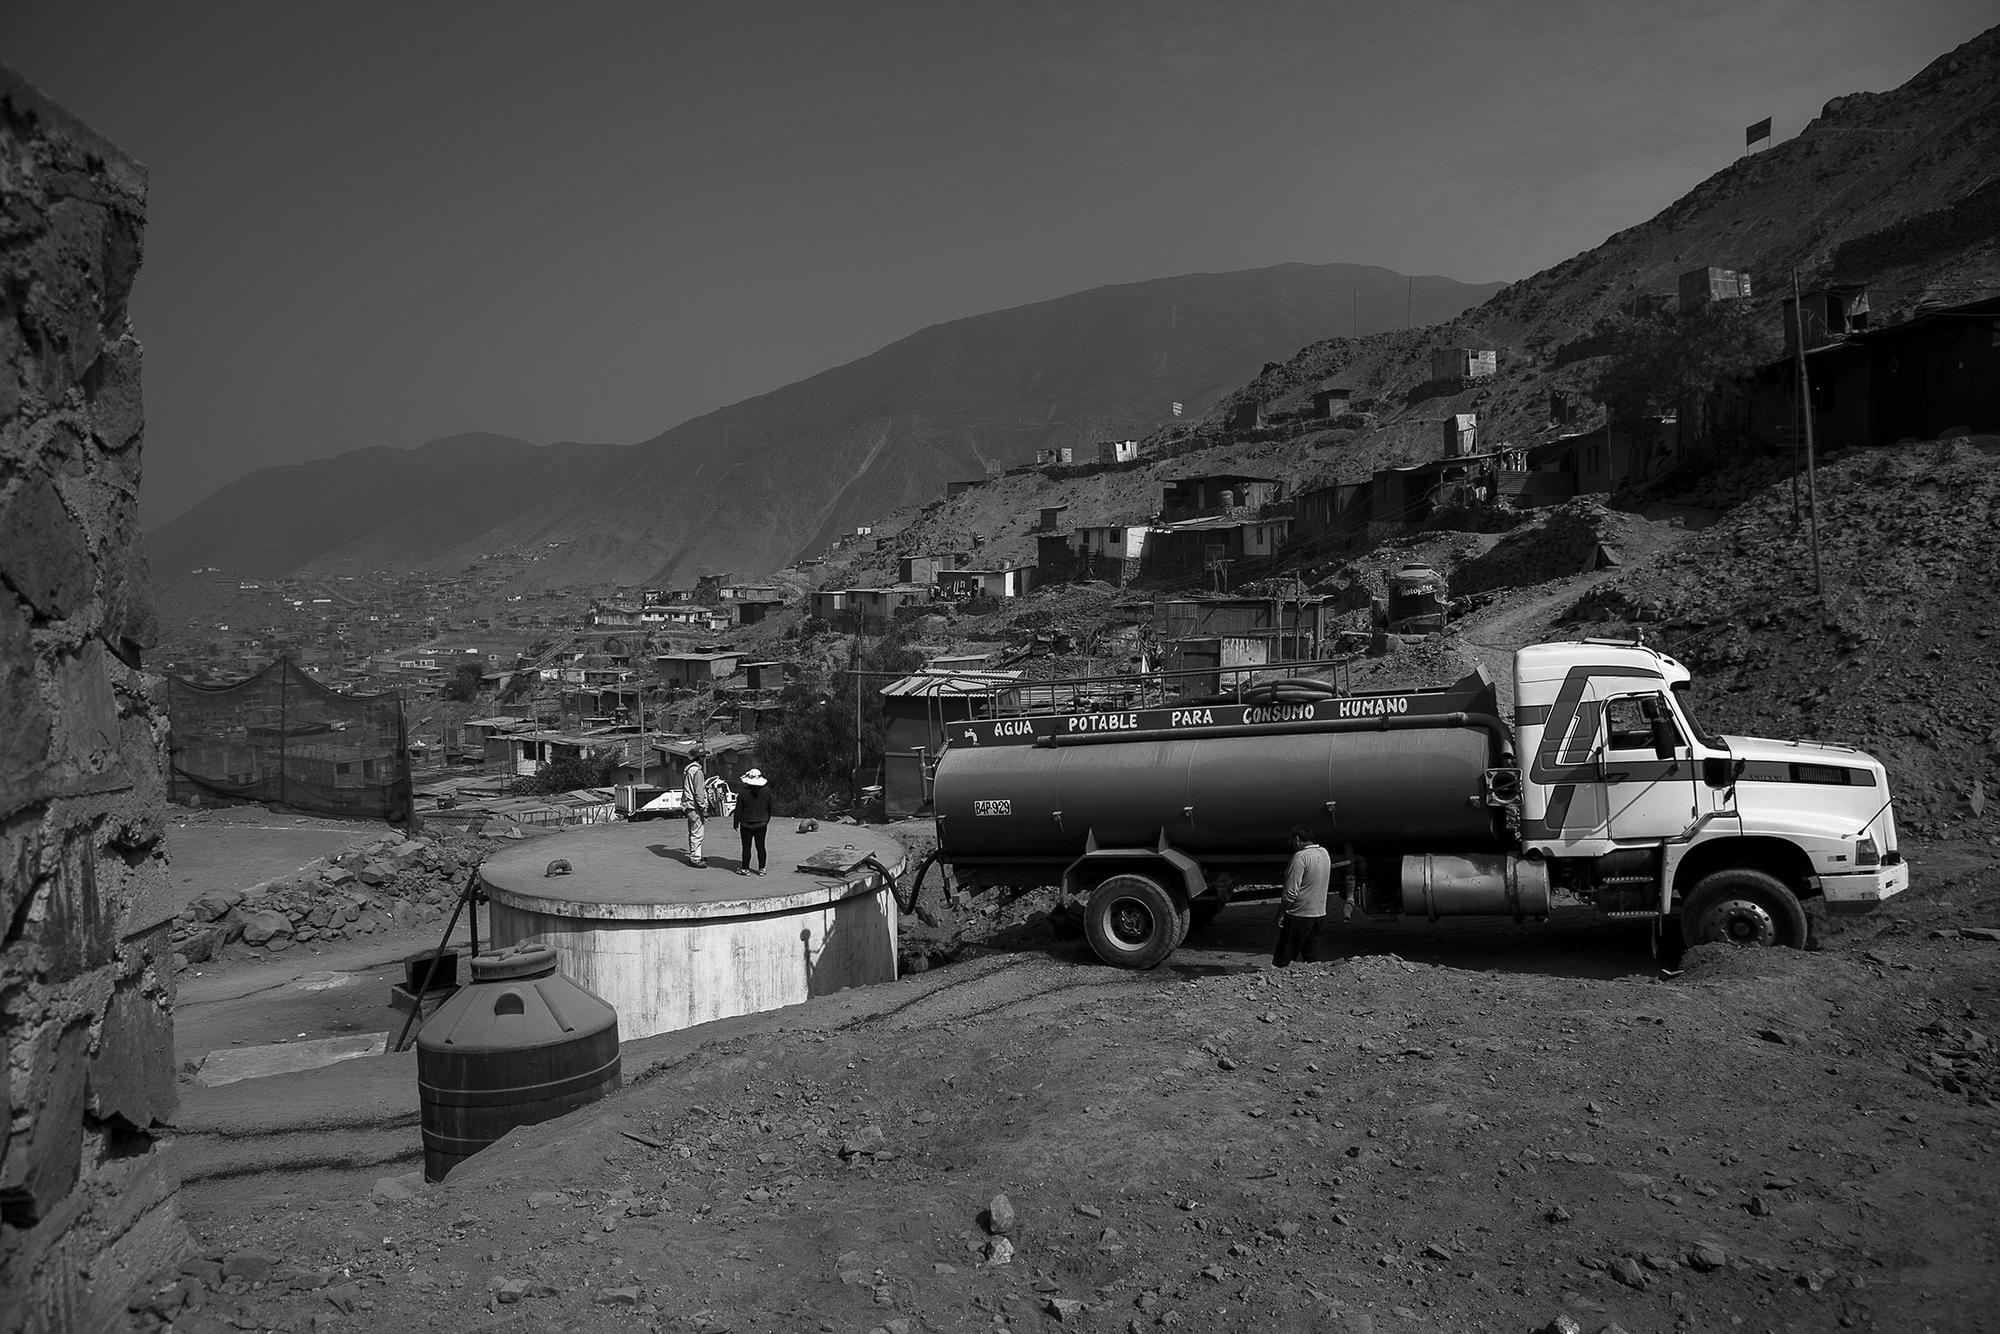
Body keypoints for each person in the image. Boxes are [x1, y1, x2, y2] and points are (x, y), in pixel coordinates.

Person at [1273, 825, 1332, 968]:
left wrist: (1280, 913)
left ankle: (1275, 984)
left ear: (1298, 839)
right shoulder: (1324, 853)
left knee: (1283, 957)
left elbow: (1290, 893)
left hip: (1299, 915)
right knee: (1312, 955)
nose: (1292, 845)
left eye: (1292, 841)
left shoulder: (1300, 857)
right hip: (1319, 913)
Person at [733, 768, 774, 876]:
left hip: (746, 824)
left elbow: (738, 810)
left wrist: (736, 822)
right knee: (761, 846)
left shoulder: (743, 793)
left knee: (746, 847)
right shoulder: (767, 791)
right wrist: (767, 819)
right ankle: (762, 869)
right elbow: (770, 807)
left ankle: (745, 869)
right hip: (762, 823)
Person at [682, 745, 711, 867]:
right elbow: (699, 792)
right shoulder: (697, 772)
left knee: (693, 831)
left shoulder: (688, 770)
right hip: (695, 806)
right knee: (697, 832)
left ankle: (695, 854)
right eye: (703, 756)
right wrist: (703, 808)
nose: (704, 758)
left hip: (688, 805)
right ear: (699, 758)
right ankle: (695, 858)